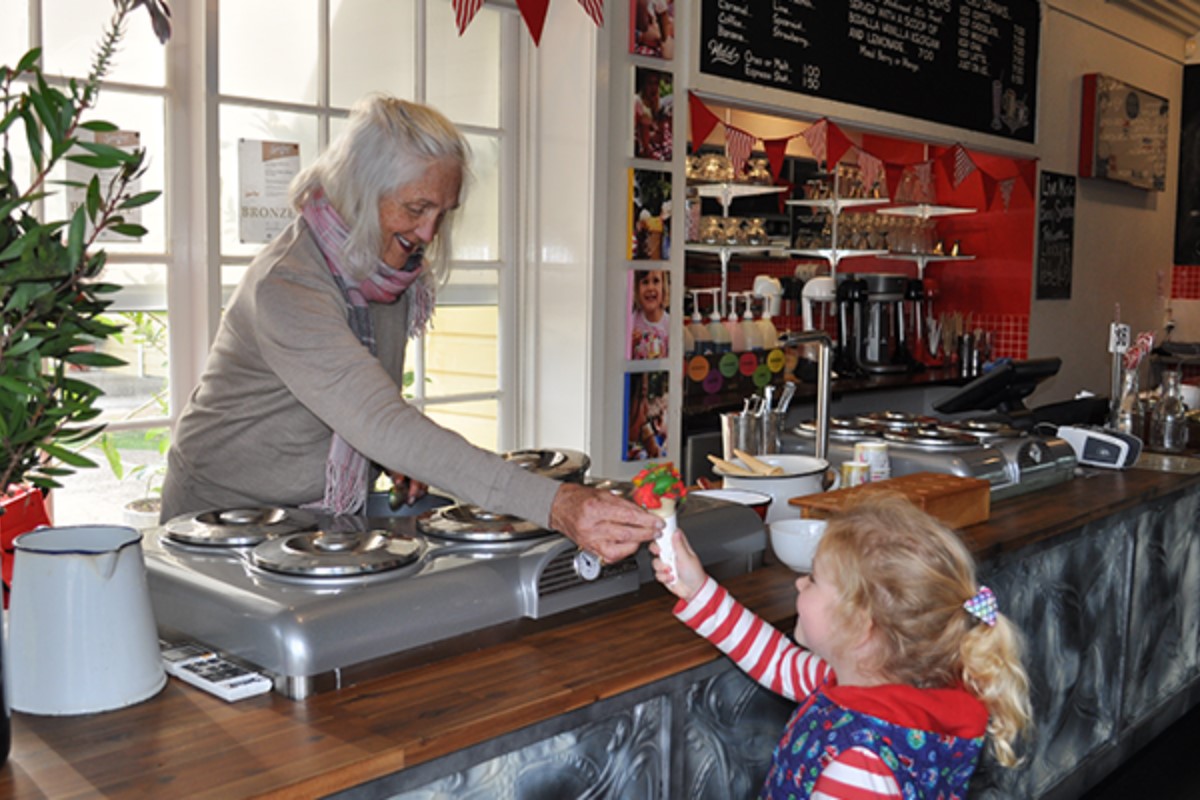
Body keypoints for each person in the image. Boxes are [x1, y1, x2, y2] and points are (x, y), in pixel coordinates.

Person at [161, 94, 661, 563]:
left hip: (314, 518)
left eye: (443, 213)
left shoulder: (384, 269)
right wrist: (555, 503)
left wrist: (389, 457)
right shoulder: (287, 286)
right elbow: (378, 420)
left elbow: (365, 412)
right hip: (218, 521)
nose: (428, 233)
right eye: (416, 207)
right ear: (359, 189)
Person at [652, 494, 1032, 798]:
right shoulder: (879, 684)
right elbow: (779, 662)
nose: (800, 584)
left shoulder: (859, 769)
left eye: (813, 578)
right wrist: (697, 589)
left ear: (860, 626)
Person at [630, 269, 669, 360]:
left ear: (663, 287)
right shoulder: (632, 321)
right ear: (636, 288)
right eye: (645, 282)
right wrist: (631, 344)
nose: (650, 287)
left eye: (656, 281)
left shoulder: (669, 324)